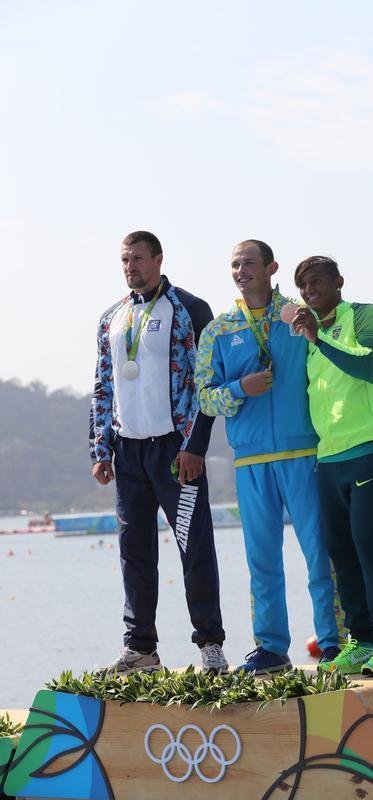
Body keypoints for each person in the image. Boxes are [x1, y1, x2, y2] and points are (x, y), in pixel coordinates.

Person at [195, 240, 342, 673]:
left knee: (320, 552)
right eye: (234, 265)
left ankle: (334, 643)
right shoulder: (219, 330)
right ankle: (272, 647)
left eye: (249, 263)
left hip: (304, 452)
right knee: (262, 559)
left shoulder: (300, 317)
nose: (241, 271)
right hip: (251, 461)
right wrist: (243, 388)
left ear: (271, 267)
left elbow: (340, 349)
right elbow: (205, 399)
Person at [90, 230, 227, 675]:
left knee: (195, 546)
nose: (130, 267)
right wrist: (101, 448)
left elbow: (206, 382)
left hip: (176, 451)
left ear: (159, 259)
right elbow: (102, 386)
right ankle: (140, 649)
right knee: (134, 551)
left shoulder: (190, 309)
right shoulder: (111, 317)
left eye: (137, 258)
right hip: (128, 451)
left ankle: (210, 644)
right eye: (124, 260)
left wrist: (196, 445)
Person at [292, 255, 373, 676]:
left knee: (372, 548)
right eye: (302, 285)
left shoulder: (365, 316)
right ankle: (358, 641)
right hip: (329, 457)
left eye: (316, 281)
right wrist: (314, 337)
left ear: (339, 281)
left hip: (371, 448)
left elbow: (372, 367)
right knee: (341, 553)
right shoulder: (309, 335)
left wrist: (320, 339)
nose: (308, 290)